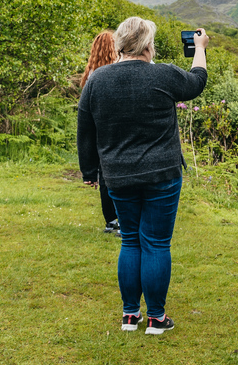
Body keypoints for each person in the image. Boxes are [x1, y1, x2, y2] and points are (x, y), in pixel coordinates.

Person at [77, 17, 209, 335]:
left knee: (131, 241)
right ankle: (156, 319)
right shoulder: (163, 74)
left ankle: (129, 316)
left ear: (120, 44)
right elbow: (197, 81)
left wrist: (89, 171)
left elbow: (85, 128)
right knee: (157, 244)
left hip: (118, 176)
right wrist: (200, 48)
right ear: (148, 45)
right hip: (162, 175)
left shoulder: (97, 80)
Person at [80, 30, 121, 236]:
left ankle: (110, 220)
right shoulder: (116, 72)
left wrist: (88, 169)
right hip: (113, 129)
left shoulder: (89, 76)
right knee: (114, 175)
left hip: (97, 129)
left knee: (104, 176)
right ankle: (119, 218)